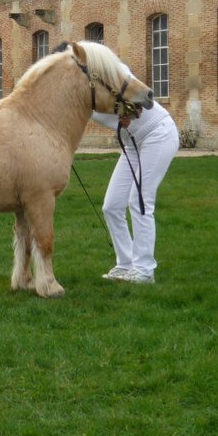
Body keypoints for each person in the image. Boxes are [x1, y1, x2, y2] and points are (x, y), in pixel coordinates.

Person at [91, 67, 179, 284]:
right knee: (111, 206)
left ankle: (144, 270)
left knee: (139, 200)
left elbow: (137, 93)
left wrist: (129, 111)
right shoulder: (81, 91)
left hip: (157, 132)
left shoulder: (109, 70)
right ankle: (126, 264)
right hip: (132, 144)